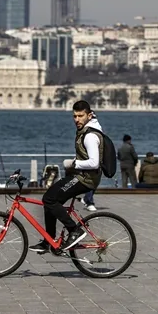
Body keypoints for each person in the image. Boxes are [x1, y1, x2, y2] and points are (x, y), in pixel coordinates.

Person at [30, 100, 106, 254]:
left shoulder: (90, 136)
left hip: (86, 179)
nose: (77, 119)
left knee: (49, 199)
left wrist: (73, 163)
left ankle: (74, 231)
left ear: (89, 115)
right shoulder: (86, 129)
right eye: (74, 116)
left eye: (80, 116)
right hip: (80, 176)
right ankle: (49, 240)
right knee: (50, 199)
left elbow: (94, 162)